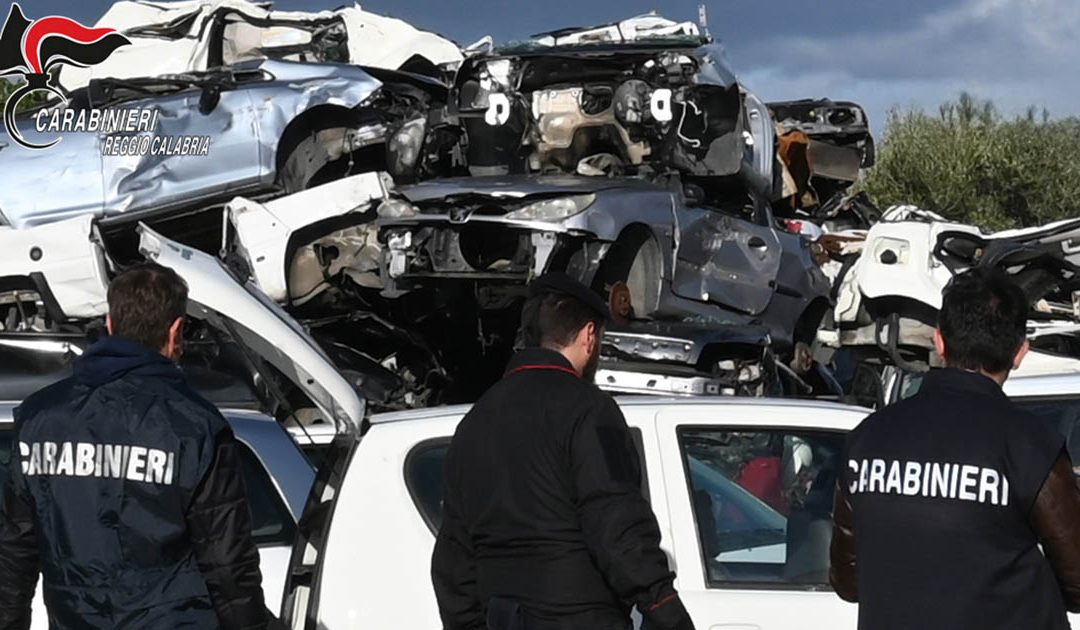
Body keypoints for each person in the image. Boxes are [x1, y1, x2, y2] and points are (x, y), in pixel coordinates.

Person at [0, 263, 276, 629]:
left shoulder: (37, 420)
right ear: (176, 331)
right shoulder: (195, 426)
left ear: (110, 324)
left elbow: (13, 555)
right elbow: (228, 566)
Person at [431, 273, 695, 630]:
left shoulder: (475, 422)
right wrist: (664, 607)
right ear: (589, 335)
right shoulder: (589, 410)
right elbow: (615, 521)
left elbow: (453, 558)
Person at [830, 268, 1080, 630]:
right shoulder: (1030, 445)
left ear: (940, 342)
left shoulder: (868, 438)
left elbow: (847, 579)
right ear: (1020, 353)